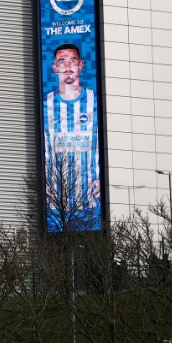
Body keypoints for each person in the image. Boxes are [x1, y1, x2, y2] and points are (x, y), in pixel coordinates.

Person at [43, 43, 101, 230]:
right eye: (62, 61)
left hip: (91, 206)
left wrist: (105, 180)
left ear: (81, 65)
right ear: (55, 68)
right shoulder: (45, 104)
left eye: (72, 61)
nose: (68, 67)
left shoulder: (96, 101)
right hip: (52, 208)